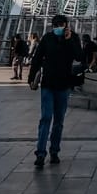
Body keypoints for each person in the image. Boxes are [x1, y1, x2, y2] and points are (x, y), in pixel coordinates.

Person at [29, 14, 83, 168]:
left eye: (62, 25)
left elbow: (79, 56)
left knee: (58, 121)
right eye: (57, 25)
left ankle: (54, 151)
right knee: (46, 118)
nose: (60, 27)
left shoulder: (73, 39)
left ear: (67, 26)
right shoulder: (47, 38)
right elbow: (37, 58)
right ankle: (40, 153)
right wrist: (32, 78)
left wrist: (69, 40)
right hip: (48, 84)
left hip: (64, 85)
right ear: (53, 26)